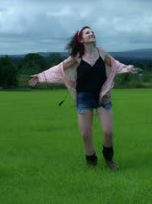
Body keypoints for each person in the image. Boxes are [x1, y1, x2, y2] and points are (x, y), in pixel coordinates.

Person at [29, 26, 139, 170]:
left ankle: (109, 160)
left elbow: (115, 65)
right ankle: (91, 161)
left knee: (108, 131)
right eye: (87, 33)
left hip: (102, 96)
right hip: (84, 97)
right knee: (85, 134)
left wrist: (127, 68)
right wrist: (40, 76)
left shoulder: (102, 52)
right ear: (81, 39)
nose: (91, 33)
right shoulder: (77, 57)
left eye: (92, 32)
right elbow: (59, 69)